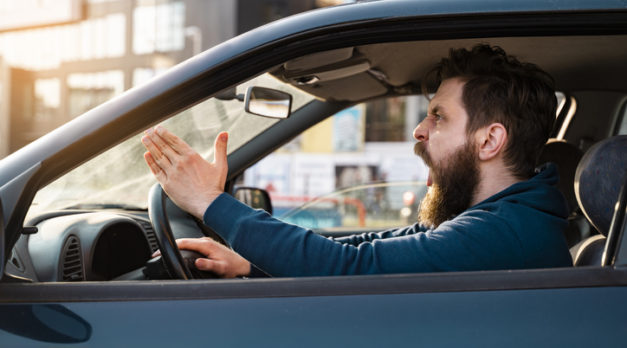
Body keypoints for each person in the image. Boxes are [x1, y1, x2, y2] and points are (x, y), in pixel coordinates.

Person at [141, 44, 573, 278]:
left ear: (489, 140)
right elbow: (369, 246)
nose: (419, 130)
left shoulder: (507, 233)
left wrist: (210, 202)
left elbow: (356, 268)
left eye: (438, 116)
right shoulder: (499, 217)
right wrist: (248, 264)